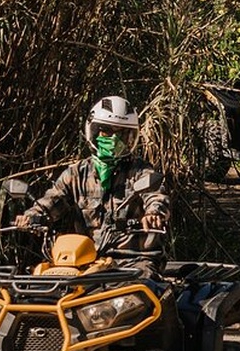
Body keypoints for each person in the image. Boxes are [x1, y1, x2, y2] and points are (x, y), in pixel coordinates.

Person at [15, 95, 170, 280]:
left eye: (121, 134)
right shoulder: (76, 174)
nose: (114, 140)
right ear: (93, 132)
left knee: (142, 292)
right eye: (106, 132)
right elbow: (52, 201)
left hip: (133, 262)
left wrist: (154, 213)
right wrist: (31, 216)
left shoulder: (141, 172)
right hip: (85, 261)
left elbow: (156, 196)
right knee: (39, 284)